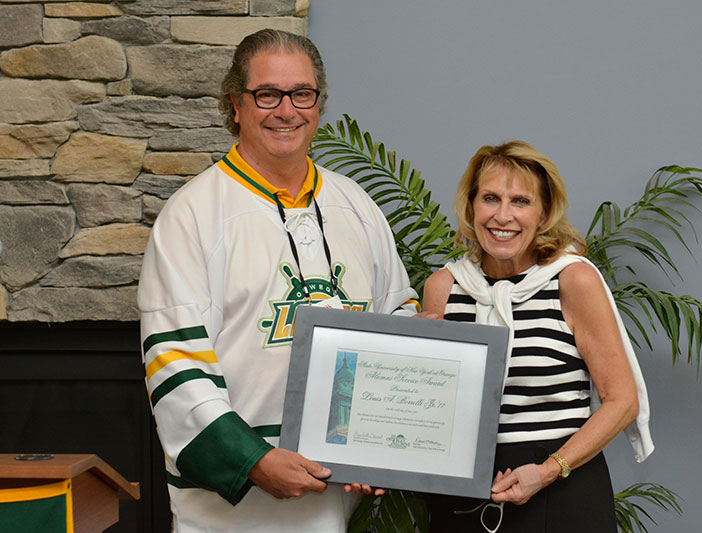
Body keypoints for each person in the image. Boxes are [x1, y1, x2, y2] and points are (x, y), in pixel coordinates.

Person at [137, 29, 418, 532]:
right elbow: (174, 363)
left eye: (302, 94)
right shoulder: (192, 216)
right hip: (227, 517)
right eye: (267, 94)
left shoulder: (357, 207)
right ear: (236, 105)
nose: (286, 110)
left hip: (336, 504)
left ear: (319, 102)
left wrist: (376, 444)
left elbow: (396, 327)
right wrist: (256, 461)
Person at [422, 141, 653, 532]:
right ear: (470, 206)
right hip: (463, 493)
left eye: (520, 201)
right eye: (490, 198)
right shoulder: (443, 288)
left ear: (544, 212)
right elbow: (429, 407)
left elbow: (623, 402)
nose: (503, 215)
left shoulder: (572, 280)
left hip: (563, 487)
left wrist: (548, 470)